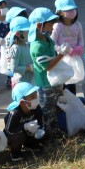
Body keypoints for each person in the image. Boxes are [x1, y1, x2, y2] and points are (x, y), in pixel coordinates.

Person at [29, 7, 67, 136]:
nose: (52, 28)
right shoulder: (36, 46)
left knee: (57, 109)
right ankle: (50, 137)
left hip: (55, 81)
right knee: (48, 113)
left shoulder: (47, 39)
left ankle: (57, 132)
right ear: (39, 25)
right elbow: (48, 66)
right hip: (46, 85)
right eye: (50, 24)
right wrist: (61, 55)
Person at [4, 82, 45, 162]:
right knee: (19, 136)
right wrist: (25, 126)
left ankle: (30, 146)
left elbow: (41, 121)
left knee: (46, 131)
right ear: (23, 102)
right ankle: (15, 153)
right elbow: (9, 130)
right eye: (32, 97)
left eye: (36, 95)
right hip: (13, 135)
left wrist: (39, 129)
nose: (36, 98)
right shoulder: (14, 113)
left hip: (28, 134)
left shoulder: (36, 108)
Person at [52, 0, 85, 95]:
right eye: (68, 9)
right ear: (60, 12)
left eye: (72, 9)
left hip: (74, 58)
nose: (71, 11)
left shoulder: (78, 25)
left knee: (73, 80)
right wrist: (61, 50)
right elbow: (52, 42)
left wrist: (78, 48)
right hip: (61, 59)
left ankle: (73, 101)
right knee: (63, 82)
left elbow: (81, 39)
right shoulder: (57, 26)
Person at [8, 16, 34, 85]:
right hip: (21, 82)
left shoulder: (27, 44)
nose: (29, 33)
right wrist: (29, 68)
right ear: (18, 34)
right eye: (27, 32)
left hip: (31, 80)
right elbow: (13, 68)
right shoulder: (16, 48)